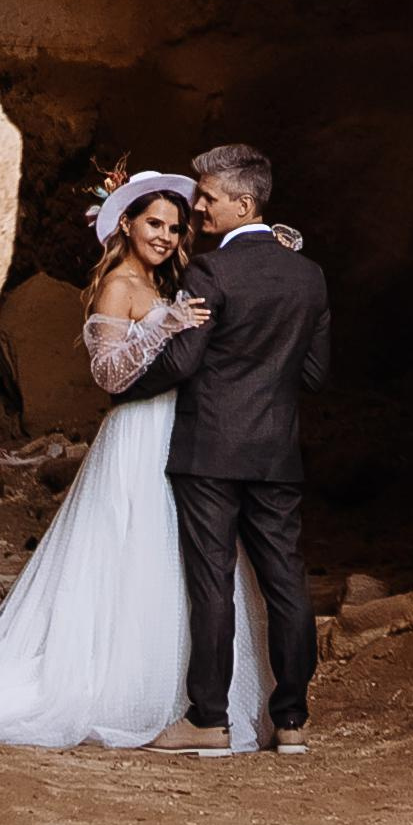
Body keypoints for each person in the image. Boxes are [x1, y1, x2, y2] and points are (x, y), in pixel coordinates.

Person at [0, 170, 276, 749]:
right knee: (134, 546)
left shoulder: (162, 281)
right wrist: (164, 326)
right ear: (126, 223)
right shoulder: (118, 285)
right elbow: (108, 374)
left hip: (178, 428)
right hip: (138, 431)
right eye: (154, 224)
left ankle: (186, 692)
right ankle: (124, 688)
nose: (166, 236)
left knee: (183, 555)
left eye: (174, 227)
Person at [117, 141, 331, 758]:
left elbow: (183, 362)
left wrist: (123, 385)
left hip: (209, 448)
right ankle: (292, 720)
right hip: (276, 451)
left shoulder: (211, 272)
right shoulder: (310, 276)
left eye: (208, 198)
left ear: (243, 204)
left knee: (212, 583)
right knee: (286, 582)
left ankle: (209, 720)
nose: (198, 208)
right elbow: (315, 374)